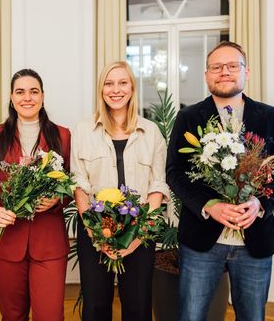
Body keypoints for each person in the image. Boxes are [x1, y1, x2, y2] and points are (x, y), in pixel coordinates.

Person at [166, 41, 274, 321]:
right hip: (202, 240)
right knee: (191, 316)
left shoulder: (270, 117)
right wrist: (208, 205)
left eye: (231, 66)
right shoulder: (188, 117)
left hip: (256, 240)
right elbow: (174, 172)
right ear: (206, 74)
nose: (224, 72)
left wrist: (259, 204)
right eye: (216, 67)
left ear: (246, 72)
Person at [71, 60, 169, 320]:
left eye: (123, 82)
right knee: (95, 306)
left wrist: (138, 236)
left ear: (132, 88)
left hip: (140, 232)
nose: (116, 89)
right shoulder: (83, 130)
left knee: (138, 306)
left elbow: (157, 187)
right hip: (94, 230)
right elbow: (78, 183)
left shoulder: (152, 132)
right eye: (109, 83)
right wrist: (95, 232)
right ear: (101, 89)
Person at [0, 68, 71, 321]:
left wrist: (57, 199)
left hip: (49, 242)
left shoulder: (63, 135)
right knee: (13, 316)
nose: (27, 97)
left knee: (50, 316)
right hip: (6, 240)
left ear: (42, 96)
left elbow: (73, 183)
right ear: (11, 97)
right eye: (20, 92)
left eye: (33, 91)